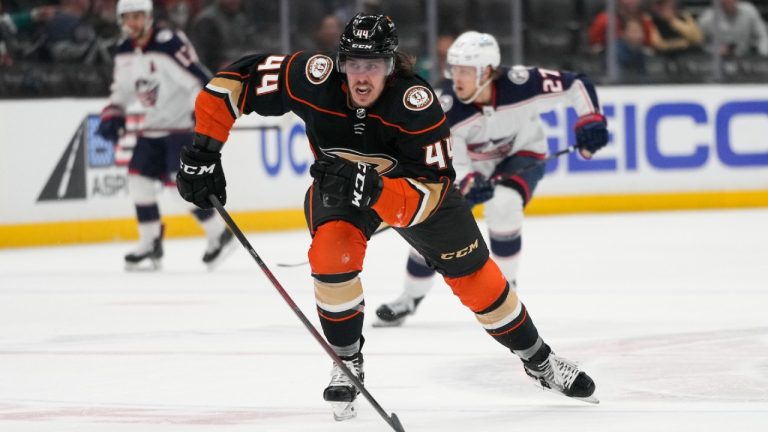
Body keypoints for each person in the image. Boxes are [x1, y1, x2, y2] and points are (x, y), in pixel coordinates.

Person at [176, 13, 600, 421]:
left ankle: (539, 361)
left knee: (479, 280)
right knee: (331, 257)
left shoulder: (417, 106)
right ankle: (346, 361)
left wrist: (377, 189)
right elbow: (235, 80)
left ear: (392, 66)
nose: (362, 76)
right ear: (340, 63)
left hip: (411, 193)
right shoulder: (313, 78)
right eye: (354, 64)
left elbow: (431, 194)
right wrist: (203, 151)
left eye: (374, 65)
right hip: (340, 188)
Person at [374, 31, 609, 327]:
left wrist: (590, 120)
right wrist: (469, 181)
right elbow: (448, 161)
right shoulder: (446, 109)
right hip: (473, 167)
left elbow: (577, 83)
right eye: (454, 69)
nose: (456, 78)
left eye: (465, 71)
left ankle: (507, 289)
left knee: (505, 204)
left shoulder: (523, 83)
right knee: (432, 227)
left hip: (523, 155)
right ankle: (409, 297)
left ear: (487, 72)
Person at [96, 0, 234, 271]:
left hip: (180, 126)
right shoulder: (124, 51)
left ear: (148, 17)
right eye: (128, 18)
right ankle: (150, 243)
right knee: (138, 180)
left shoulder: (168, 42)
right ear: (120, 21)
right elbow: (122, 90)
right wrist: (114, 111)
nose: (133, 23)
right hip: (152, 128)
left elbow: (197, 76)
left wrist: (206, 109)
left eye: (138, 16)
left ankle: (219, 233)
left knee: (179, 186)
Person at [697, 0, 768, 57]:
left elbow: (763, 35)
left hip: (744, 58)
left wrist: (763, 54)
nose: (729, 1)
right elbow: (698, 45)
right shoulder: (707, 19)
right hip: (717, 61)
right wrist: (714, 50)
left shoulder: (749, 12)